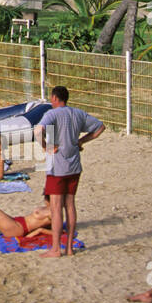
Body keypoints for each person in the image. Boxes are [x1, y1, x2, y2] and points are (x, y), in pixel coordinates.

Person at [35, 85, 105, 258]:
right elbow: (100, 128)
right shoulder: (78, 113)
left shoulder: (51, 114)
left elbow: (37, 131)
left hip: (57, 167)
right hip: (74, 165)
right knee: (71, 205)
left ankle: (56, 248)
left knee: (56, 208)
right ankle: (69, 248)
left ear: (54, 98)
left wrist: (45, 146)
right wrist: (81, 141)